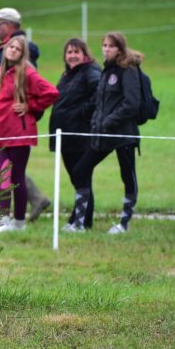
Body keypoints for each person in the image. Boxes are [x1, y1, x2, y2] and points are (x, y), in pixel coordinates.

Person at [0, 7, 52, 218]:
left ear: (9, 25)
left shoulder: (21, 51)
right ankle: (0, 208)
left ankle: (18, 207)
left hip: (8, 119)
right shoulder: (4, 48)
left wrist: (29, 106)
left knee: (3, 165)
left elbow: (33, 85)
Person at [65, 32, 143, 234]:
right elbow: (100, 104)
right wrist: (96, 123)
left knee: (128, 176)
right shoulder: (106, 71)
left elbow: (131, 103)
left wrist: (109, 121)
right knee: (80, 170)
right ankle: (80, 224)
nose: (106, 49)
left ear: (120, 49)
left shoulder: (128, 69)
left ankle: (124, 225)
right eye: (104, 45)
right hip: (102, 134)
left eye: (111, 46)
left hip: (123, 134)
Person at [0, 36, 59, 232]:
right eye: (11, 47)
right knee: (3, 176)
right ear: (5, 50)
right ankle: (3, 220)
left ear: (22, 53)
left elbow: (51, 92)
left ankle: (18, 222)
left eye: (17, 48)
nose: (13, 50)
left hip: (20, 134)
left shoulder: (27, 74)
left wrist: (30, 105)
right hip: (2, 133)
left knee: (16, 178)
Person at [46, 38, 102, 227]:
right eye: (69, 52)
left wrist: (81, 113)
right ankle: (81, 218)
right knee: (77, 178)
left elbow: (99, 94)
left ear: (85, 54)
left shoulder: (90, 72)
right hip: (67, 135)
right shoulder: (68, 74)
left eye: (76, 52)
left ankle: (82, 221)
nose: (72, 56)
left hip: (80, 134)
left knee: (81, 176)